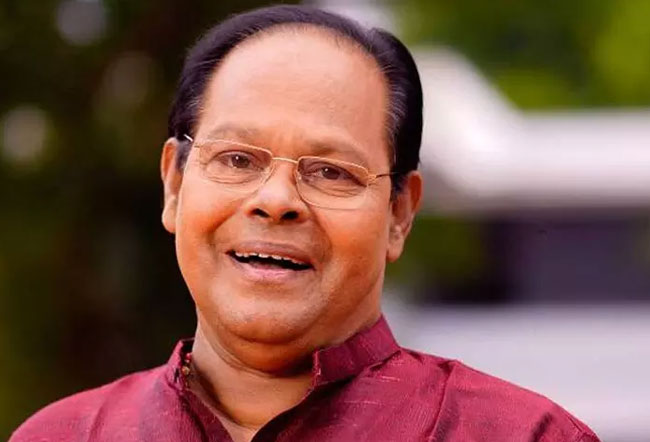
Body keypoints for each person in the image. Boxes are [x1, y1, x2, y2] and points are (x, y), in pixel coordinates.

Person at [11, 5, 600, 442]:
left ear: (399, 213)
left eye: (330, 172)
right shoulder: (64, 435)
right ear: (174, 185)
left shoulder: (519, 435)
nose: (276, 201)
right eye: (237, 160)